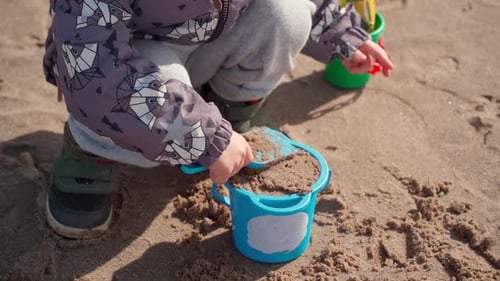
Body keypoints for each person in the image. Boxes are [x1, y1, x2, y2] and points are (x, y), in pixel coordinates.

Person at [42, 0, 393, 239]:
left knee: (284, 13)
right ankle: (92, 153)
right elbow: (100, 77)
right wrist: (206, 138)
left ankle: (227, 115)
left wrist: (341, 33)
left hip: (208, 36)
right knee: (126, 102)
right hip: (128, 63)